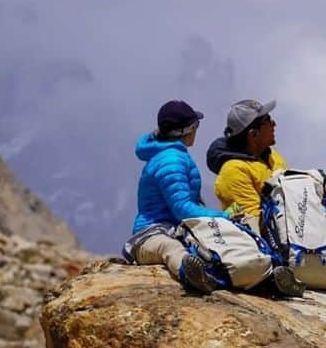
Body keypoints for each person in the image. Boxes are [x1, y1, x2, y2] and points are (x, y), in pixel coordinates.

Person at [206, 99, 326, 295]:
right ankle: (278, 274)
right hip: (273, 239)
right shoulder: (233, 171)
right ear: (254, 134)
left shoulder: (272, 157)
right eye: (268, 121)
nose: (274, 125)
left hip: (296, 225)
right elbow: (254, 222)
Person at [126, 99, 305, 297]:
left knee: (219, 248)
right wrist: (222, 216)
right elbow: (182, 208)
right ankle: (191, 273)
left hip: (178, 229)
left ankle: (263, 277)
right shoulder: (171, 161)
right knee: (170, 249)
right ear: (188, 130)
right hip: (151, 234)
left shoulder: (172, 156)